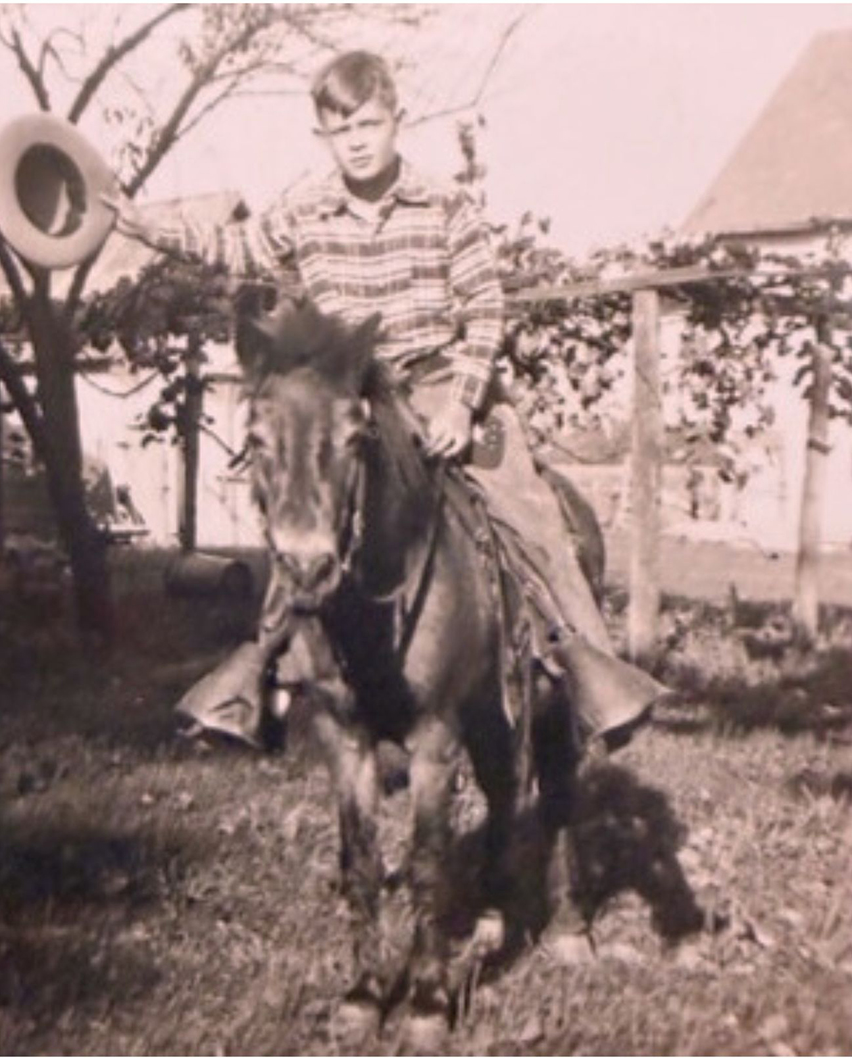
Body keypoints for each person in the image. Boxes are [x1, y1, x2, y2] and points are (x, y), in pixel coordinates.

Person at [103, 49, 668, 752]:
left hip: (437, 384)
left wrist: (463, 402)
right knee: (301, 505)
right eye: (341, 131)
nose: (358, 141)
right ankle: (261, 670)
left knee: (527, 504)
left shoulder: (443, 204)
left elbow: (485, 307)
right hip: (351, 390)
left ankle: (584, 665)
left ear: (395, 120)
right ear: (323, 137)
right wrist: (148, 227)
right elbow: (239, 245)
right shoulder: (305, 209)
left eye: (369, 123)